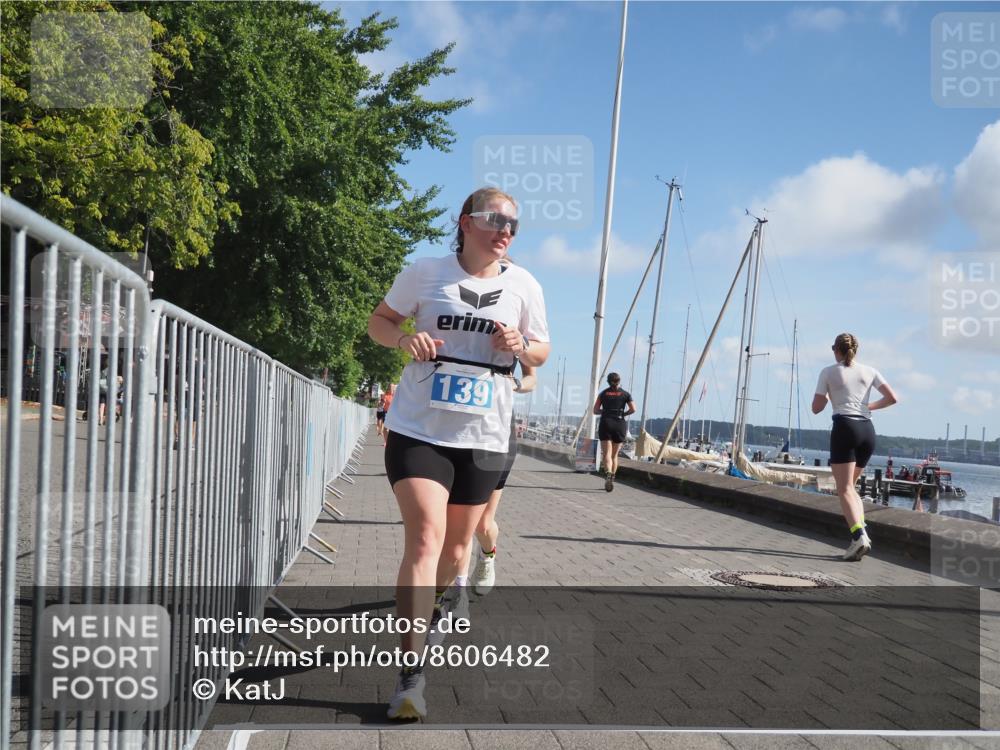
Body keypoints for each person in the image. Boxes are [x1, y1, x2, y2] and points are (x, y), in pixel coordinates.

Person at [367, 187, 549, 720]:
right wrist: (405, 341)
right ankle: (410, 676)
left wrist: (521, 347)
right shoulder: (425, 272)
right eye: (495, 219)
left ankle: (441, 601)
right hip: (419, 428)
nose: (506, 230)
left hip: (485, 435)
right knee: (426, 536)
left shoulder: (524, 285)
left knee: (455, 552)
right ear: (466, 222)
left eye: (514, 223)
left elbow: (541, 348)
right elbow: (379, 322)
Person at [451, 361, 536, 616]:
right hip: (449, 431)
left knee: (482, 525)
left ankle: (488, 556)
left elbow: (532, 376)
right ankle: (459, 595)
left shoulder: (514, 325)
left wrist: (516, 383)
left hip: (494, 436)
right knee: (459, 527)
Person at [812, 333, 898, 561]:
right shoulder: (870, 371)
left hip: (845, 428)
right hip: (867, 430)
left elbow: (816, 408)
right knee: (852, 487)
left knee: (844, 489)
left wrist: (833, 396)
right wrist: (867, 405)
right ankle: (859, 538)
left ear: (836, 350)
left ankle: (859, 535)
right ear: (855, 350)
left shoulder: (828, 372)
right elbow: (892, 398)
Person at [592, 373, 636, 492]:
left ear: (608, 382)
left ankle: (608, 473)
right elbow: (633, 409)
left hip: (606, 423)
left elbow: (595, 410)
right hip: (620, 424)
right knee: (614, 455)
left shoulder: (603, 394)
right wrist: (623, 414)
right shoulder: (626, 394)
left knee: (606, 454)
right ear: (619, 381)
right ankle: (612, 478)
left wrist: (605, 411)